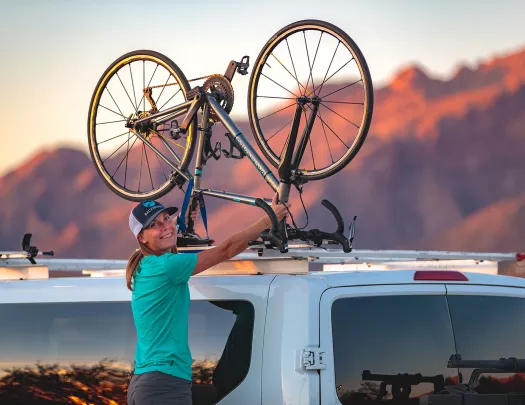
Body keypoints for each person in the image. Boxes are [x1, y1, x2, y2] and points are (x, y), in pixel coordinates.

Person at [125, 193, 290, 405]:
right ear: (142, 238)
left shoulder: (146, 266)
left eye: (166, 218)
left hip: (150, 382)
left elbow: (175, 250)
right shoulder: (166, 267)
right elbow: (226, 250)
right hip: (163, 383)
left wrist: (183, 224)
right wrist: (269, 218)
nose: (165, 225)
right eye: (155, 224)